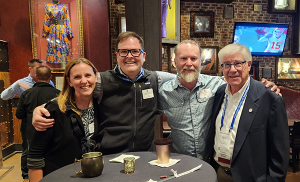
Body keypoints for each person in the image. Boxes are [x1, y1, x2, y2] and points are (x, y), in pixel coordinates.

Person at [31, 31, 175, 155]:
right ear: (117, 55)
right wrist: (41, 108)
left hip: (144, 154)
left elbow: (184, 79)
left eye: (135, 51)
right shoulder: (101, 80)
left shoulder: (157, 79)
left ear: (143, 55)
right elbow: (74, 94)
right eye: (124, 52)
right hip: (109, 156)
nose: (129, 56)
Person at [158, 40, 280, 162]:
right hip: (179, 160)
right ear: (175, 62)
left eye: (193, 58)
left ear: (200, 62)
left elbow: (240, 81)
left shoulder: (217, 84)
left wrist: (265, 86)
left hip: (210, 161)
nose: (189, 63)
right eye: (183, 58)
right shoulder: (164, 92)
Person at [212, 43, 289, 181]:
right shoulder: (219, 93)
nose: (232, 69)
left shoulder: (269, 97)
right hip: (219, 174)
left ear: (249, 65)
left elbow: (280, 152)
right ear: (222, 68)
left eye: (238, 63)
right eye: (227, 65)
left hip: (251, 178)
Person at [27, 58, 99, 182]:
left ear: (96, 77)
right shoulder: (54, 110)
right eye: (77, 77)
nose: (84, 81)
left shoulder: (101, 106)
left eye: (88, 75)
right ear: (69, 81)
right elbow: (35, 157)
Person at [0, 59, 54, 182]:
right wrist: (17, 84)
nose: (40, 69)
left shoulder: (50, 83)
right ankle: (26, 175)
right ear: (30, 69)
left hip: (47, 122)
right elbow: (4, 96)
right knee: (27, 149)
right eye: (37, 67)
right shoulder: (21, 82)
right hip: (28, 124)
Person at [16, 66, 60, 151]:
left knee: (32, 157)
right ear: (50, 76)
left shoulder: (26, 94)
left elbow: (19, 114)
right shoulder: (58, 94)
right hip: (53, 132)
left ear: (36, 76)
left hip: (31, 132)